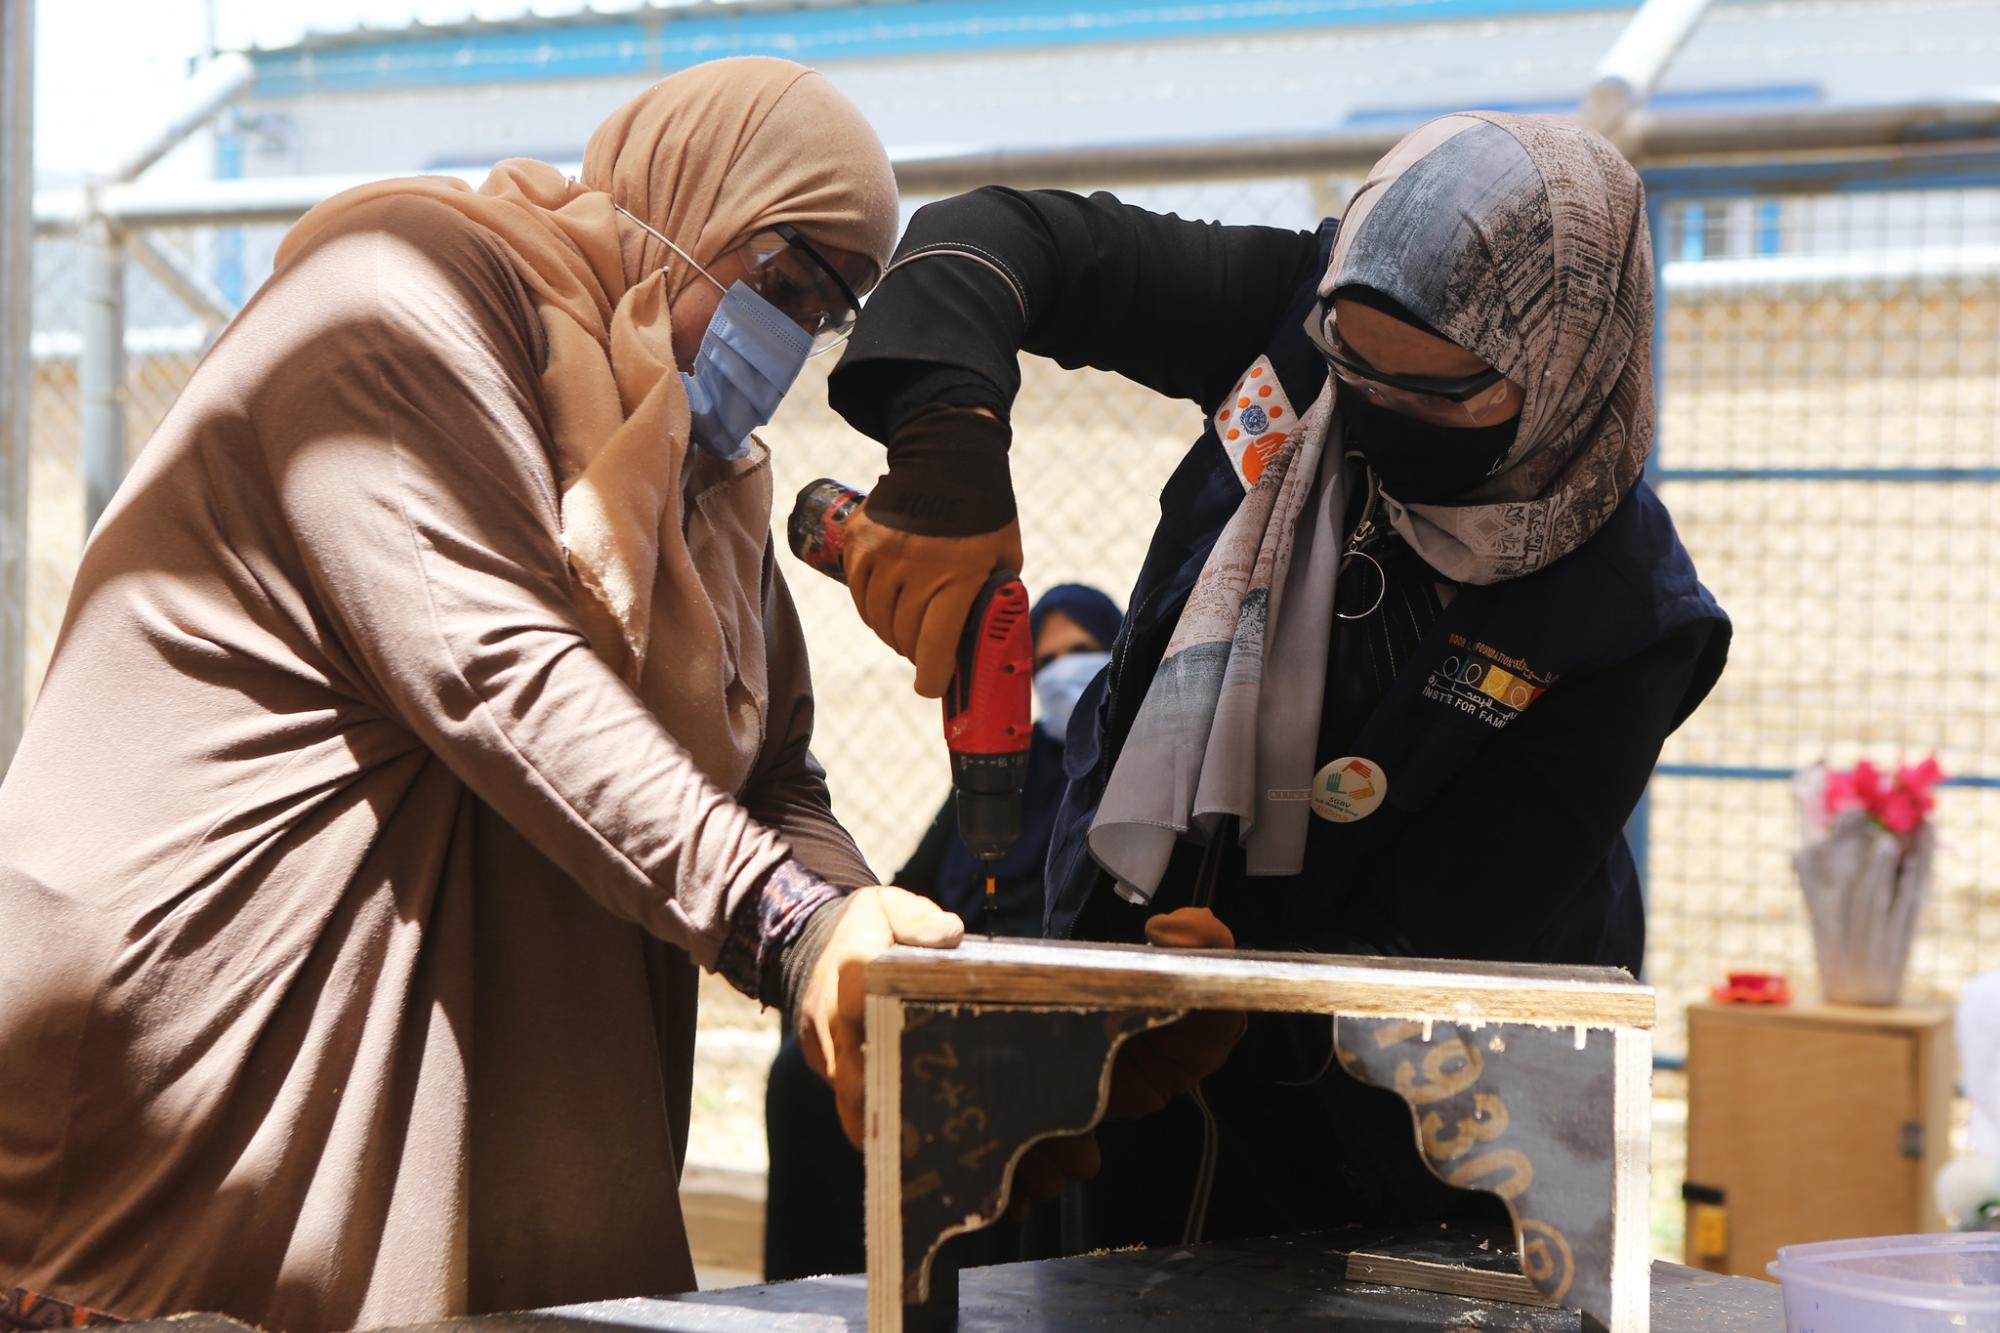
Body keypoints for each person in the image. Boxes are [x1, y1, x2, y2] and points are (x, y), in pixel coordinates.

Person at [0, 59, 965, 1331]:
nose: (783, 340)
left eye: (822, 314)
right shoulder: (394, 295)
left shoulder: (701, 485)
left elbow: (774, 778)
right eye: (779, 281)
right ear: (677, 199)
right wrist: (781, 926)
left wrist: (888, 974)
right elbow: (489, 663)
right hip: (201, 1073)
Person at [823, 113, 1731, 1251]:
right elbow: (990, 239)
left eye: (1437, 396)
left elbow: (1426, 949)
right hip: (1147, 1034)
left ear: (1562, 368)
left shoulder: (1625, 620)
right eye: (1352, 370)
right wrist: (945, 440)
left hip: (1429, 1127)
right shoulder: (1293, 319)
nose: (1369, 416)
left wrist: (1252, 993)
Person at [762, 582, 1121, 1281]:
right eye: (1045, 661)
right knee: (804, 1073)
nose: (1064, 674)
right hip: (944, 986)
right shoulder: (991, 782)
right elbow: (903, 886)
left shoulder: (1115, 786)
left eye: (1084, 653)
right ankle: (824, 1295)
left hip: (1039, 1004)